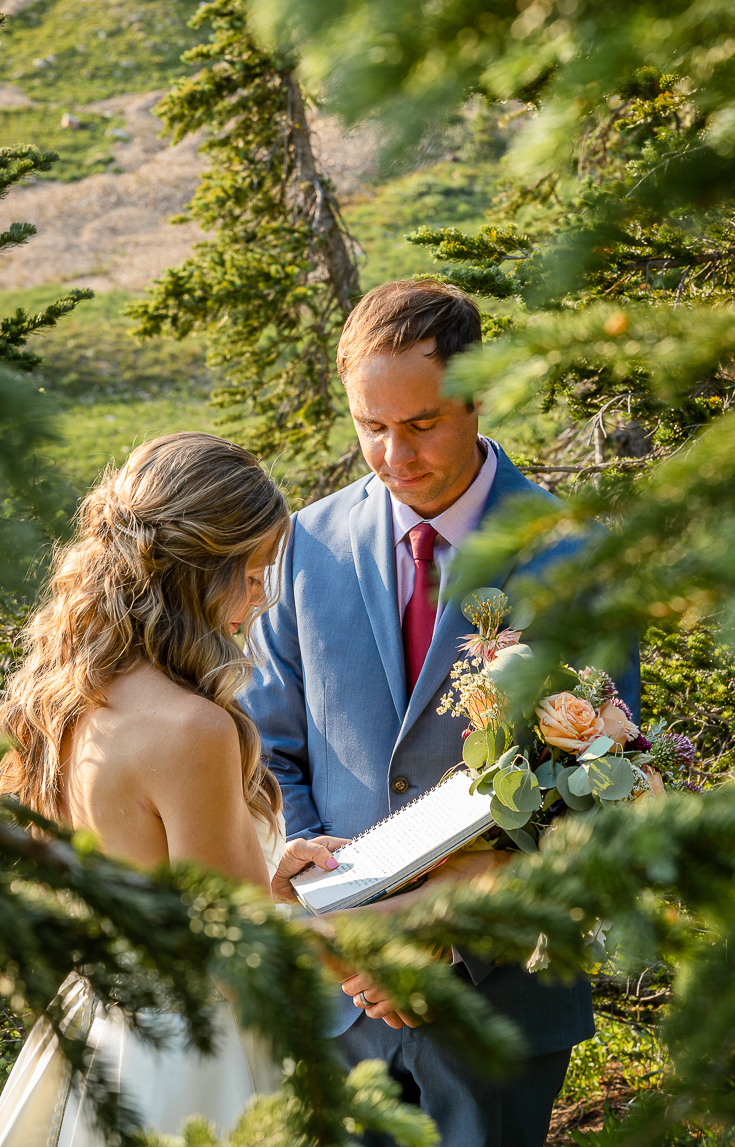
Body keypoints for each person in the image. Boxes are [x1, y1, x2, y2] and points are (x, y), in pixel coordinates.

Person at [243, 279, 642, 1147]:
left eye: (420, 423)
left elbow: (599, 788)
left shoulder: (574, 555)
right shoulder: (303, 545)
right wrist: (337, 916)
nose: (392, 454)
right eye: (369, 427)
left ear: (477, 397)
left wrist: (439, 934)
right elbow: (267, 751)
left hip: (499, 999)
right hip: (338, 1001)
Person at [0, 432, 346, 1146]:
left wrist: (264, 875)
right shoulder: (191, 728)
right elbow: (234, 954)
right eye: (251, 573)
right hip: (193, 1063)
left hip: (103, 1031)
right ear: (195, 571)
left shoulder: (67, 694)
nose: (259, 598)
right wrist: (391, 921)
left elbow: (147, 878)